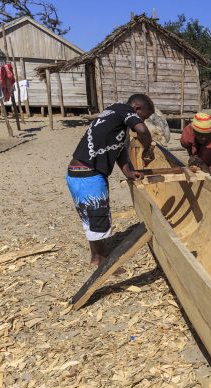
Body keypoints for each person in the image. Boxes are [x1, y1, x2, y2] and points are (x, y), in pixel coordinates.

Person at [66, 94, 156, 266]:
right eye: (145, 116)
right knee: (98, 218)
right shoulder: (124, 110)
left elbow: (119, 151)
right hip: (88, 174)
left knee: (93, 218)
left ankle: (98, 255)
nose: (144, 120)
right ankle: (99, 260)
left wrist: (128, 172)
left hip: (80, 173)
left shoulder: (114, 118)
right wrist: (147, 150)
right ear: (136, 109)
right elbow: (143, 131)